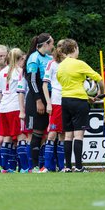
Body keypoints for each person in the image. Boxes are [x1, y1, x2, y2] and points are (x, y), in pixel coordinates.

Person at [57, 39, 104, 172]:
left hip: (65, 100)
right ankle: (78, 166)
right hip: (79, 102)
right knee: (78, 135)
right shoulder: (79, 64)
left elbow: (65, 83)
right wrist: (101, 92)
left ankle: (67, 167)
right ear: (75, 48)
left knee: (67, 136)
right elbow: (98, 78)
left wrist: (86, 96)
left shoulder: (61, 66)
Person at [25, 33, 54, 173]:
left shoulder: (50, 58)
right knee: (36, 133)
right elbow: (31, 81)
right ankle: (34, 167)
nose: (53, 46)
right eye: (52, 43)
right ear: (45, 44)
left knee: (50, 132)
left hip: (49, 96)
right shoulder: (33, 58)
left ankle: (47, 165)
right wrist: (38, 100)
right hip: (36, 98)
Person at [0, 48, 28, 173]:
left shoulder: (2, 72)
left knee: (7, 138)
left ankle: (5, 168)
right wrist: (22, 109)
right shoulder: (20, 72)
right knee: (21, 137)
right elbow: (21, 91)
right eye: (23, 60)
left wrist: (5, 100)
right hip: (16, 107)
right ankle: (25, 168)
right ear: (20, 59)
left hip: (4, 108)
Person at [40, 40, 66, 173]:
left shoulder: (70, 64)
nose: (61, 49)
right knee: (51, 135)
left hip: (68, 101)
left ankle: (62, 166)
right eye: (60, 46)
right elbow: (45, 85)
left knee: (63, 135)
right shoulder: (52, 64)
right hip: (56, 102)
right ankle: (47, 166)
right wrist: (48, 103)